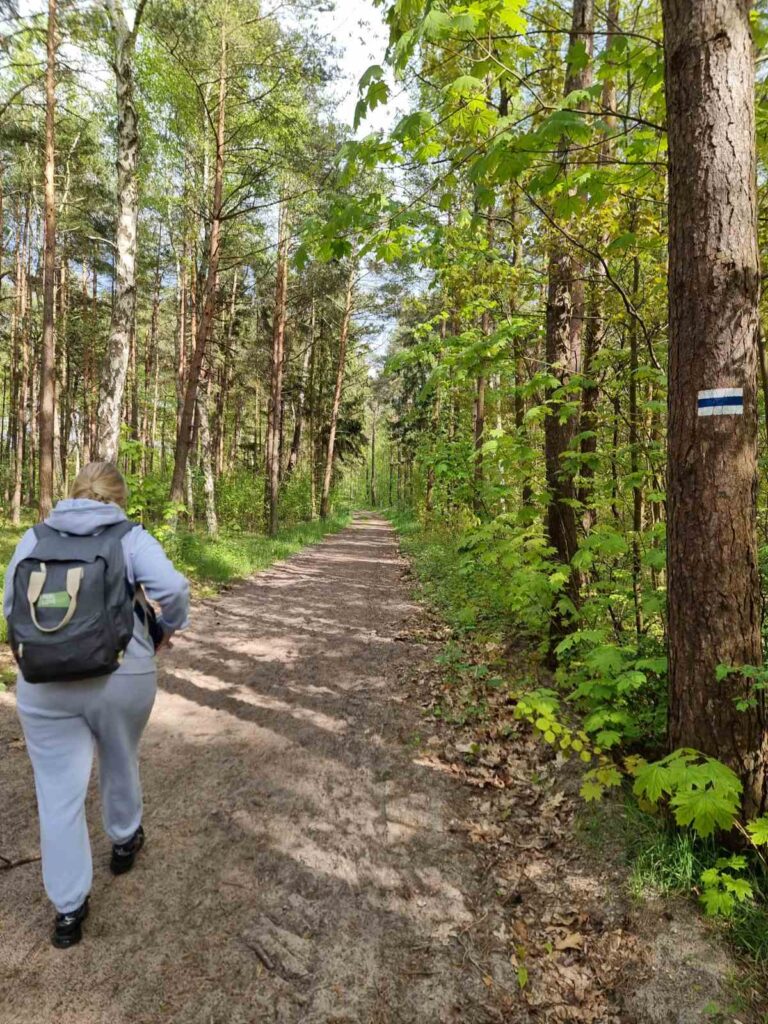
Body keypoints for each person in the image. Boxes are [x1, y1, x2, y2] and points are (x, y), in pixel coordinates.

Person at [3, 462, 190, 949]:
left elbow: (10, 606)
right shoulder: (130, 537)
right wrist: (167, 628)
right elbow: (172, 588)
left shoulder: (34, 538)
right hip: (121, 672)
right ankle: (124, 839)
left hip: (43, 681)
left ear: (72, 494)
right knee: (119, 752)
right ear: (119, 498)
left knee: (57, 794)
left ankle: (68, 911)